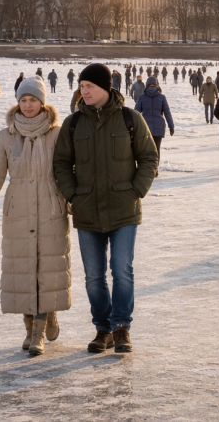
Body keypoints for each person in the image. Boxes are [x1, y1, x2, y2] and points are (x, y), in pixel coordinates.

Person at [52, 63, 159, 355]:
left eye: (90, 87)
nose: (84, 91)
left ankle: (121, 327)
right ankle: (103, 329)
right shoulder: (73, 124)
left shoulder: (130, 118)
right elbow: (61, 163)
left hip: (123, 208)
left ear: (105, 88)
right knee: (94, 276)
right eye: (82, 86)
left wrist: (137, 190)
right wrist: (73, 194)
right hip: (87, 210)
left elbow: (149, 157)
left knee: (122, 270)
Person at [0, 76, 70, 356]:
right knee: (23, 270)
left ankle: (38, 331)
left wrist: (76, 205)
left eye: (33, 100)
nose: (27, 105)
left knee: (46, 269)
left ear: (42, 102)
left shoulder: (57, 133)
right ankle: (30, 327)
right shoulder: (6, 136)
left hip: (50, 208)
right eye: (23, 100)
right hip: (18, 210)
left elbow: (69, 174)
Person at [134, 77, 174, 162]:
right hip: (159, 127)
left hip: (145, 127)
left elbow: (136, 113)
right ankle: (155, 169)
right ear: (157, 85)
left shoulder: (141, 97)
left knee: (146, 150)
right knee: (156, 149)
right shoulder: (162, 97)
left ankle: (148, 168)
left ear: (147, 84)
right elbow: (167, 113)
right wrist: (171, 126)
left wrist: (133, 127)